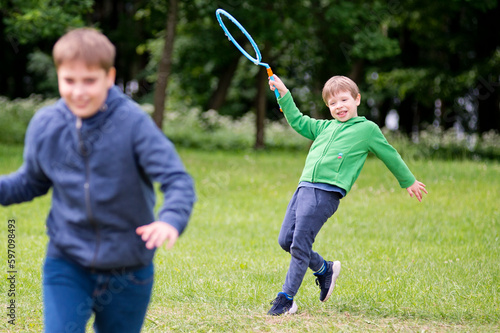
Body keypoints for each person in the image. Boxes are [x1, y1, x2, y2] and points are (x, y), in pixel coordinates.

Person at [0, 28, 196, 332]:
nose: (79, 92)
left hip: (128, 269)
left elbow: (177, 179)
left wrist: (170, 219)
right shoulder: (46, 125)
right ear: (58, 76)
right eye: (69, 81)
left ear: (109, 76)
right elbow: (30, 181)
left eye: (89, 81)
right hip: (66, 262)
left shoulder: (133, 124)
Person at [266, 74, 427, 316]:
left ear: (357, 99)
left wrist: (408, 180)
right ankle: (323, 269)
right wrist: (284, 93)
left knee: (299, 243)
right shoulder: (324, 127)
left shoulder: (367, 130)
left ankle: (286, 298)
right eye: (332, 103)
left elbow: (389, 154)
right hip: (303, 188)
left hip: (326, 193)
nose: (339, 106)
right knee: (285, 241)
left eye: (344, 100)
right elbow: (298, 121)